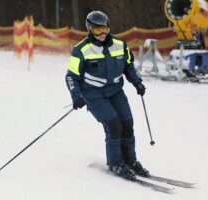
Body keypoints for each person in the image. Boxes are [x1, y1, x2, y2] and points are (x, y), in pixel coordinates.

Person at [65, 11, 149, 181]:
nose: (102, 34)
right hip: (93, 94)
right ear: (90, 29)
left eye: (105, 29)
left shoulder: (120, 44)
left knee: (127, 122)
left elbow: (128, 66)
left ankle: (130, 160)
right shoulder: (81, 50)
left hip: (115, 91)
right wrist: (76, 96)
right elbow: (71, 76)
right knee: (114, 124)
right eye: (97, 30)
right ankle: (116, 163)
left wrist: (137, 82)